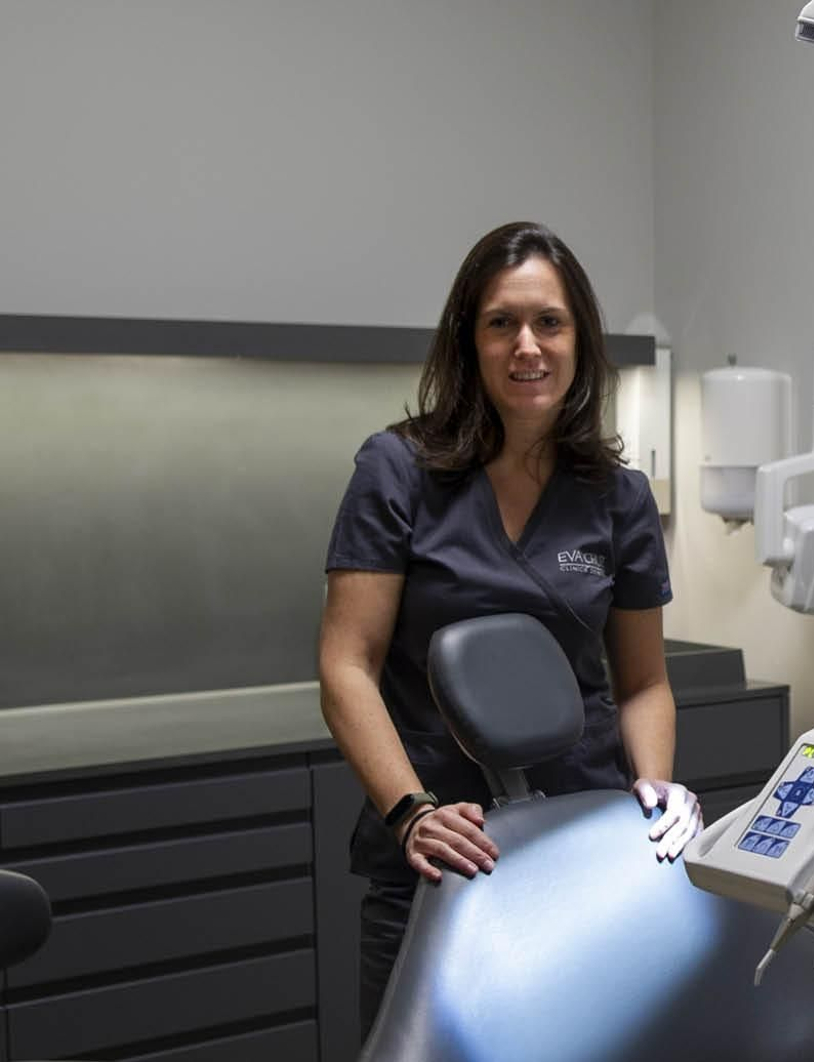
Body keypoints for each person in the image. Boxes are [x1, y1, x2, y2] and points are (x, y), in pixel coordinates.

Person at [317, 221, 700, 1039]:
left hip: (580, 861)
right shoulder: (399, 471)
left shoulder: (618, 496)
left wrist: (657, 793)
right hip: (438, 865)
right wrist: (411, 812)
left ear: (579, 339)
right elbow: (347, 665)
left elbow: (642, 683)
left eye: (549, 322)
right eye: (502, 323)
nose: (528, 346)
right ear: (471, 340)